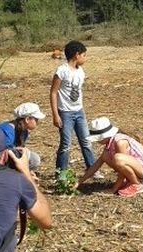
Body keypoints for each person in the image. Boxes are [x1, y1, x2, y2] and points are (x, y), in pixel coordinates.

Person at [49, 40, 100, 182]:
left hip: (79, 111)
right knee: (66, 144)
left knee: (86, 141)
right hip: (65, 112)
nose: (85, 58)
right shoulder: (62, 71)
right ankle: (61, 173)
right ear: (77, 55)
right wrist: (55, 114)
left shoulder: (80, 71)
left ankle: (92, 169)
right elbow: (53, 92)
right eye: (84, 55)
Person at [76, 117, 143, 198]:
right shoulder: (110, 144)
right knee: (106, 156)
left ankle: (136, 184)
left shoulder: (120, 142)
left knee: (118, 158)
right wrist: (79, 182)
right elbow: (95, 166)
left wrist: (114, 189)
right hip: (138, 168)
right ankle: (129, 181)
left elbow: (121, 166)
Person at [0, 102, 46, 173]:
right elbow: (2, 153)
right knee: (33, 159)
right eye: (36, 120)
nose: (37, 122)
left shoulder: (24, 131)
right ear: (27, 119)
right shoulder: (8, 131)